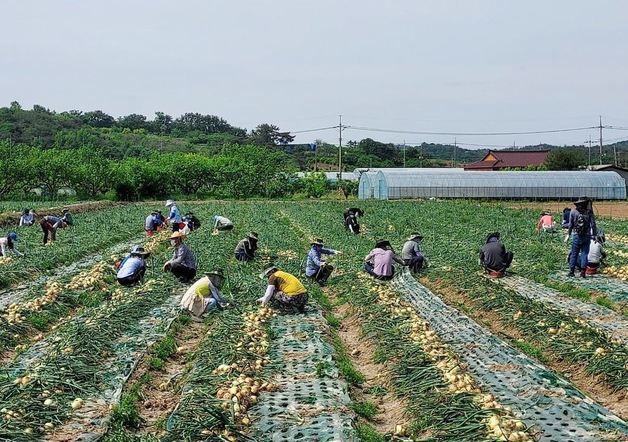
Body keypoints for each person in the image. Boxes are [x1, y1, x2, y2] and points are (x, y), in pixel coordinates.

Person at [565, 197, 597, 278]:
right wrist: (595, 235)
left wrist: (568, 234)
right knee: (585, 254)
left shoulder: (573, 211)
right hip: (587, 235)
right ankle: (583, 272)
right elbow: (593, 224)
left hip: (576, 235)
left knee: (574, 254)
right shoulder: (589, 212)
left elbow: (570, 224)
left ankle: (571, 271)